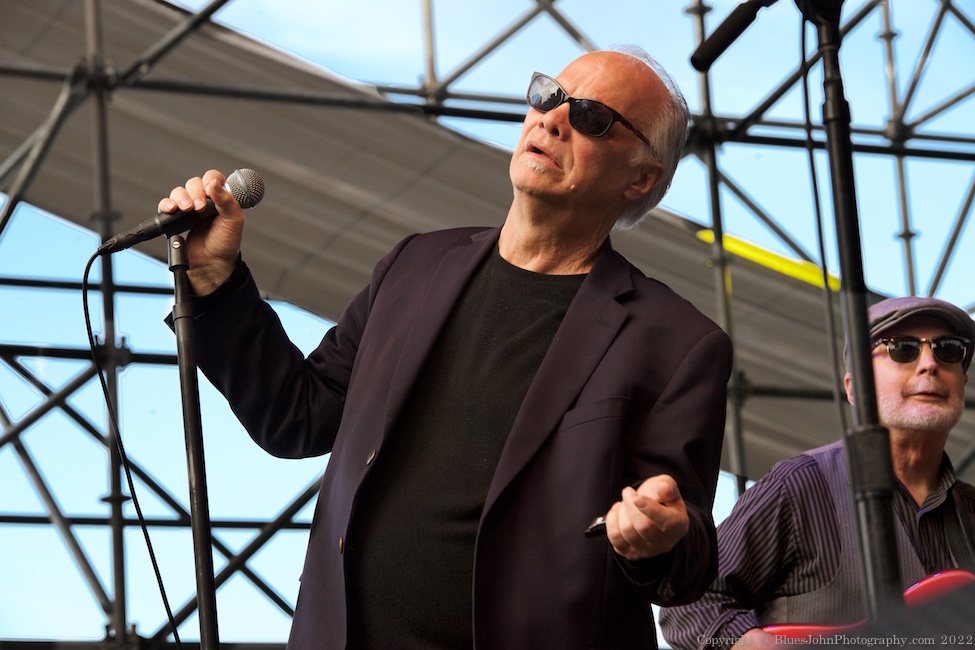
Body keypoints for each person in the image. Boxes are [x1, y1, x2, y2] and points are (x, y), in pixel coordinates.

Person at [160, 46, 733, 649]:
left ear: (642, 178)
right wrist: (217, 285)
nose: (551, 119)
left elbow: (686, 561)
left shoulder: (676, 343)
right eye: (547, 94)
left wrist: (659, 539)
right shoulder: (416, 265)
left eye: (590, 116)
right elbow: (296, 417)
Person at [660, 296, 975, 649]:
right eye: (902, 348)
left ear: (962, 379)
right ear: (855, 388)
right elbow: (690, 601)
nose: (930, 364)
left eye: (948, 350)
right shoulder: (798, 487)